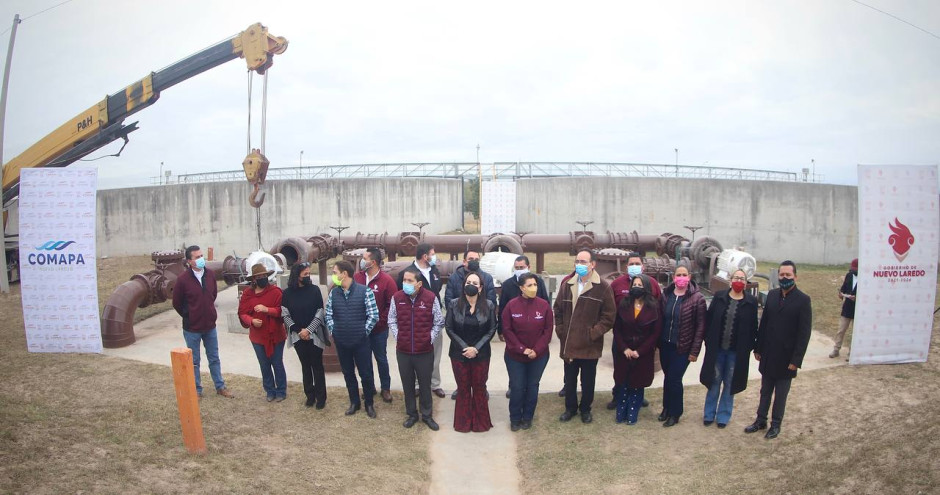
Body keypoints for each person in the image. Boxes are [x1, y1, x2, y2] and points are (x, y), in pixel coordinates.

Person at [745, 260, 812, 440]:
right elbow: (764, 323)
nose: (784, 278)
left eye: (788, 275)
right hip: (768, 354)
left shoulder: (803, 300)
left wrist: (796, 360)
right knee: (765, 391)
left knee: (780, 394)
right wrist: (758, 348)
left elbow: (804, 334)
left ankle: (775, 424)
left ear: (795, 277)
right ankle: (760, 420)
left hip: (787, 358)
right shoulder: (773, 295)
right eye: (782, 275)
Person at [554, 249, 616, 424]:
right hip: (569, 343)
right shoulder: (567, 285)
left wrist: (593, 333)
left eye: (583, 262)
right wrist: (561, 330)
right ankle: (570, 408)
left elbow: (609, 317)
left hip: (590, 345)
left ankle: (585, 409)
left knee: (588, 381)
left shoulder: (603, 287)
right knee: (570, 380)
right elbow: (557, 309)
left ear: (593, 264)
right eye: (577, 261)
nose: (579, 265)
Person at [172, 245, 234, 399]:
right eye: (197, 257)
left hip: (210, 326)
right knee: (194, 361)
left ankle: (220, 386)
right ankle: (196, 390)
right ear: (189, 261)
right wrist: (189, 315)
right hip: (192, 329)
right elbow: (177, 303)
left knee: (214, 358)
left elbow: (213, 295)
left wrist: (209, 312)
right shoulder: (182, 280)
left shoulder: (210, 275)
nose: (201, 259)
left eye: (201, 256)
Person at [699, 269, 758, 428]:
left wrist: (749, 347)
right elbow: (709, 319)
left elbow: (753, 327)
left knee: (730, 384)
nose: (739, 280)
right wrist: (708, 340)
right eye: (736, 277)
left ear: (746, 282)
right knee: (714, 381)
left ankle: (723, 416)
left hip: (736, 353)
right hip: (717, 350)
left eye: (742, 278)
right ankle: (709, 414)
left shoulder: (751, 302)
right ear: (731, 280)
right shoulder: (719, 297)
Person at [389, 267, 445, 431]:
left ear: (419, 283)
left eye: (410, 280)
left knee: (425, 384)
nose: (405, 283)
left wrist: (429, 338)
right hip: (403, 351)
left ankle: (427, 415)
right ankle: (412, 414)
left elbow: (439, 322)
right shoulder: (397, 298)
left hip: (424, 351)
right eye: (404, 280)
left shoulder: (430, 298)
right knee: (408, 384)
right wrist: (398, 336)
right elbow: (391, 319)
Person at [606, 252, 660, 410]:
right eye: (631, 264)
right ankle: (618, 395)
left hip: (643, 339)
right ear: (626, 266)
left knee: (640, 369)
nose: (634, 266)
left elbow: (658, 308)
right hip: (622, 337)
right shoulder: (616, 284)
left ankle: (638, 396)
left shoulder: (652, 284)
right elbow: (609, 307)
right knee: (620, 368)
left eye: (637, 264)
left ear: (643, 266)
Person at [326, 260, 379, 418]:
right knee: (348, 373)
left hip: (361, 342)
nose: (333, 275)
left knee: (366, 374)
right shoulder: (334, 293)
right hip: (342, 342)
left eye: (335, 272)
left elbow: (373, 315)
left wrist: (363, 332)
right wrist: (334, 332)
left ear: (344, 274)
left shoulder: (365, 291)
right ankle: (354, 402)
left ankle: (369, 403)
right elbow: (328, 314)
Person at [445, 272, 497, 432]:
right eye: (468, 282)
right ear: (463, 285)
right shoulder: (454, 304)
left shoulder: (489, 305)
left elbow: (491, 329)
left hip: (481, 354)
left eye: (475, 283)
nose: (471, 285)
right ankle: (463, 423)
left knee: (479, 387)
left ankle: (481, 423)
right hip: (459, 354)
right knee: (463, 388)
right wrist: (464, 347)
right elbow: (449, 328)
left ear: (480, 288)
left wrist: (476, 348)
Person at [502, 272, 554, 431]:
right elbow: (507, 330)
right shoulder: (511, 306)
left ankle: (527, 417)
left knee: (532, 386)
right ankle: (515, 418)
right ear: (521, 288)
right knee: (517, 386)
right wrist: (521, 349)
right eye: (529, 285)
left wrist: (536, 350)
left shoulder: (544, 305)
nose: (533, 288)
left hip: (538, 356)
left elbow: (547, 331)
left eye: (535, 285)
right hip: (515, 356)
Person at [658, 263, 706, 427]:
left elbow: (701, 327)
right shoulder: (666, 295)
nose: (681, 278)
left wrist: (694, 351)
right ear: (673, 277)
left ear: (689, 277)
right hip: (665, 345)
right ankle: (666, 408)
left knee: (674, 379)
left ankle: (675, 412)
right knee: (667, 378)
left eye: (684, 275)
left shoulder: (697, 299)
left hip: (683, 347)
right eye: (678, 275)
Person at [446, 250, 498, 400]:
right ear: (464, 261)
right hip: (459, 339)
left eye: (476, 259)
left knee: (479, 383)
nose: (474, 261)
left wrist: (476, 347)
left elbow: (491, 301)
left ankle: (481, 391)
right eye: (471, 259)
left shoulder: (486, 278)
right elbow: (449, 299)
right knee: (463, 384)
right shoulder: (455, 278)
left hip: (480, 340)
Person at [396, 243, 446, 398]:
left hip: (433, 321)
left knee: (435, 354)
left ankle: (435, 384)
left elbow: (437, 291)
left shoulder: (434, 271)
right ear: (425, 256)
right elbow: (401, 296)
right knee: (417, 356)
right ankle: (418, 385)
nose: (434, 257)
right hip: (416, 322)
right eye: (432, 254)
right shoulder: (407, 273)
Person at [612, 274, 662, 424]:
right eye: (635, 285)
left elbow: (655, 333)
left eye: (640, 285)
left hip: (643, 353)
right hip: (624, 351)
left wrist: (640, 351)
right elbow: (617, 329)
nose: (637, 288)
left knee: (637, 384)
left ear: (646, 288)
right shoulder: (624, 304)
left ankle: (633, 412)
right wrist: (624, 348)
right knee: (623, 382)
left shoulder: (654, 307)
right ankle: (621, 411)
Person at [497, 255, 549, 399]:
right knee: (515, 371)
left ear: (528, 267)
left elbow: (545, 303)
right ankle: (512, 387)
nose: (519, 270)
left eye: (522, 267)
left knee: (531, 380)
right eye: (517, 268)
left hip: (534, 333)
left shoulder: (537, 282)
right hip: (515, 333)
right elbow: (502, 308)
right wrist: (500, 329)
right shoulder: (508, 284)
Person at [282, 262, 328, 409]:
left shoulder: (315, 290)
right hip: (297, 336)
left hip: (315, 336)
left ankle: (321, 398)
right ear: (297, 276)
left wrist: (308, 330)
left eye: (309, 273)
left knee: (317, 366)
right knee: (305, 366)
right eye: (305, 274)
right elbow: (285, 315)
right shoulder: (287, 293)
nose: (308, 276)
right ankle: (310, 396)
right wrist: (298, 331)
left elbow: (320, 312)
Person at [238, 263, 287, 402]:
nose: (263, 278)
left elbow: (282, 311)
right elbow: (242, 313)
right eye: (259, 277)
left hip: (276, 336)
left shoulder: (276, 292)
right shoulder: (248, 294)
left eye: (265, 275)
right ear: (254, 279)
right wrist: (251, 321)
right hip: (257, 337)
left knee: (277, 363)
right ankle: (270, 390)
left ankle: (281, 391)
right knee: (264, 364)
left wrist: (267, 310)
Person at [354, 248, 398, 403]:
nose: (361, 261)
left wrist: (378, 322)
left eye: (364, 258)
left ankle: (385, 388)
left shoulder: (387, 281)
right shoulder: (357, 278)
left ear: (372, 262)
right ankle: (369, 387)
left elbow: (391, 306)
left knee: (381, 359)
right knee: (364, 360)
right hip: (361, 330)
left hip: (379, 330)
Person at [830, 258, 857, 358]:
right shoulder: (849, 275)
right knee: (841, 330)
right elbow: (843, 288)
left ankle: (852, 352)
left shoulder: (864, 278)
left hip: (857, 309)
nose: (853, 270)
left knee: (855, 332)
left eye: (855, 268)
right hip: (847, 308)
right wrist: (841, 294)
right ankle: (836, 349)